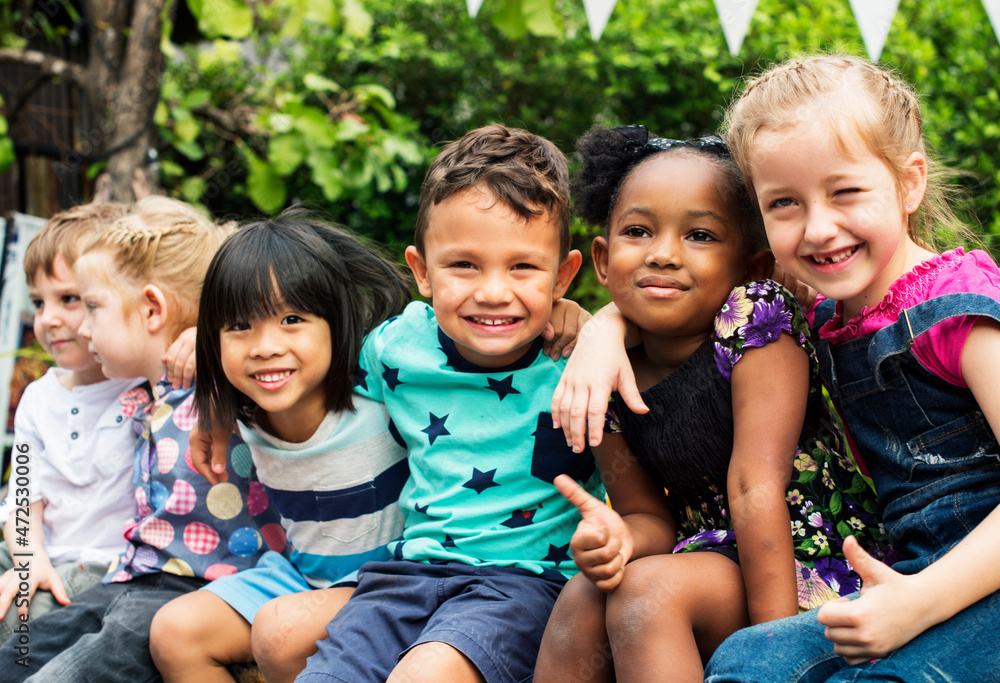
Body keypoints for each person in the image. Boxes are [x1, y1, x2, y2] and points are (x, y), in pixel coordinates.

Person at [532, 124, 886, 683]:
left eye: (699, 235)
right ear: (603, 259)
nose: (665, 254)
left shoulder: (754, 320)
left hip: (807, 566)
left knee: (647, 594)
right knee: (586, 593)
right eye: (639, 231)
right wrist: (621, 539)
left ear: (750, 266)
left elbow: (755, 486)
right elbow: (649, 516)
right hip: (708, 562)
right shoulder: (603, 375)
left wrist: (776, 654)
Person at [701, 53, 1000, 683]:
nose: (819, 228)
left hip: (977, 575)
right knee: (748, 660)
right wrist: (599, 329)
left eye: (846, 192)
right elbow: (665, 308)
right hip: (910, 572)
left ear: (909, 182)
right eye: (784, 203)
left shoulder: (959, 310)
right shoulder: (828, 313)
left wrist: (921, 602)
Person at [282, 123, 603, 683]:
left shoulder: (581, 360)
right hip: (407, 576)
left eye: (523, 266)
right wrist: (207, 359)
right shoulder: (396, 348)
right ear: (422, 271)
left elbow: (673, 340)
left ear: (564, 275)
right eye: (464, 265)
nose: (494, 291)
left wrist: (603, 326)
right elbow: (303, 382)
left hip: (525, 585)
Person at [0, 196, 281, 683]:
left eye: (84, 305)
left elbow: (274, 334)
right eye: (39, 301)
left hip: (194, 585)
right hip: (129, 577)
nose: (78, 328)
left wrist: (209, 337)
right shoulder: (134, 395)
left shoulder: (224, 379)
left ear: (152, 308)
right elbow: (22, 498)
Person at [148, 211, 411, 683]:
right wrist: (213, 403)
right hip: (303, 578)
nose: (265, 346)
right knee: (174, 632)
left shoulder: (380, 392)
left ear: (336, 322)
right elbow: (209, 361)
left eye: (292, 319)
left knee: (280, 631)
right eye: (240, 326)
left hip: (396, 581)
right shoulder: (243, 412)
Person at [0, 204, 139, 645]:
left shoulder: (151, 387)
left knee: (23, 619)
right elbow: (23, 496)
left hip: (107, 565)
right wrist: (28, 559)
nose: (48, 319)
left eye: (69, 299)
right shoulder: (39, 398)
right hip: (33, 549)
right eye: (39, 302)